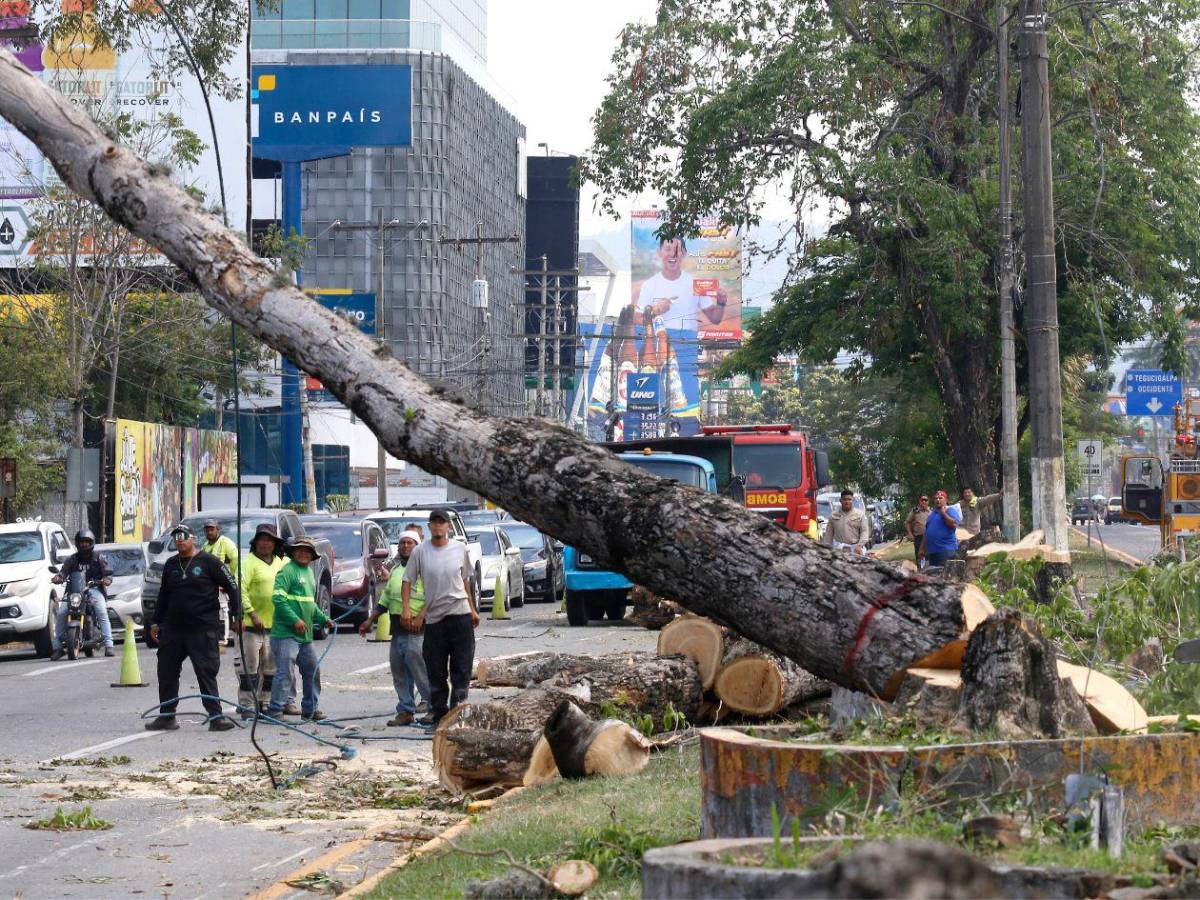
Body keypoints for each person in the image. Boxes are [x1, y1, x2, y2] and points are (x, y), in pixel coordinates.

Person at [145, 524, 240, 731]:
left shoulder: (209, 562)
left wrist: (237, 616)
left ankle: (216, 716)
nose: (179, 540)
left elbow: (232, 587)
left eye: (183, 536)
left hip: (202, 627)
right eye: (176, 537)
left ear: (193, 539)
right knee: (166, 670)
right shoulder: (171, 564)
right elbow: (163, 595)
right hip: (173, 628)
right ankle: (167, 715)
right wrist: (156, 622)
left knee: (206, 671)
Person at [402, 509, 479, 732]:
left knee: (461, 669)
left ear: (449, 527)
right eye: (434, 523)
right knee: (435, 671)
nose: (438, 527)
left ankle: (457, 717)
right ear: (429, 527)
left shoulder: (459, 549)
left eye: (441, 523)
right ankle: (439, 717)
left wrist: (473, 609)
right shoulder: (420, 552)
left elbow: (465, 580)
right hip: (435, 620)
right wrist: (406, 608)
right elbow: (407, 580)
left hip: (460, 614)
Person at [359, 530, 431, 727]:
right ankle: (406, 710)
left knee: (420, 671)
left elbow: (433, 597)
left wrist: (420, 618)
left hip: (417, 628)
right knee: (399, 672)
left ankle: (434, 708)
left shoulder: (426, 569)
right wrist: (369, 620)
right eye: (402, 543)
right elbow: (385, 599)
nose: (406, 546)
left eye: (410, 543)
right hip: (398, 628)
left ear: (417, 547)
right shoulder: (398, 570)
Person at [266, 537, 331, 722]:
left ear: (312, 555)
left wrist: (324, 619)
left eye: (307, 551)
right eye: (299, 550)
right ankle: (275, 711)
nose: (303, 553)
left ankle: (310, 709)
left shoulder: (310, 573)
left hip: (305, 636)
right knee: (285, 673)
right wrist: (295, 620)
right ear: (293, 553)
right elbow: (278, 599)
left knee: (312, 670)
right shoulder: (287, 571)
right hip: (286, 634)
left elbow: (310, 605)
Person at [235, 523, 285, 718]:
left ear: (274, 543)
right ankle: (247, 705)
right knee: (250, 667)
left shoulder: (281, 563)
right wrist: (251, 612)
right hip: (251, 626)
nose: (265, 543)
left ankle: (266, 702)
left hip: (276, 625)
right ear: (255, 543)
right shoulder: (247, 563)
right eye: (261, 540)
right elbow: (241, 590)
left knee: (271, 667)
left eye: (269, 540)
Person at [633, 237, 728, 335]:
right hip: (659, 344)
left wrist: (721, 303)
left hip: (689, 344)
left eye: (677, 250)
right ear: (659, 252)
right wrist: (656, 311)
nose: (672, 254)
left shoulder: (695, 283)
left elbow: (715, 318)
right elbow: (637, 319)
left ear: (684, 253)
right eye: (668, 249)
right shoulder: (649, 285)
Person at [50, 528, 115, 659]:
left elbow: (107, 572)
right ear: (77, 543)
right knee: (62, 613)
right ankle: (57, 647)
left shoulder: (99, 558)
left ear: (91, 543)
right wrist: (58, 577)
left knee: (101, 610)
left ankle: (109, 644)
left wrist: (106, 579)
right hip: (74, 592)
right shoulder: (72, 559)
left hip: (94, 590)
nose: (84, 544)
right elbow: (63, 572)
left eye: (87, 541)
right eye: (81, 542)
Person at [820, 490, 872, 555]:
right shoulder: (833, 516)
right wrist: (826, 550)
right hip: (839, 549)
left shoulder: (860, 515)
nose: (847, 502)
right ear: (840, 501)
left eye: (849, 499)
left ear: (853, 500)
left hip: (856, 549)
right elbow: (828, 535)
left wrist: (859, 545)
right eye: (844, 499)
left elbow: (864, 532)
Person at [921, 490, 962, 568]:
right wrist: (921, 549)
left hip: (946, 550)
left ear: (946, 500)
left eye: (940, 498)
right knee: (935, 576)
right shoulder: (932, 514)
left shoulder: (950, 510)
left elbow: (954, 525)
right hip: (932, 551)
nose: (938, 500)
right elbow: (926, 533)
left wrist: (943, 513)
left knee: (944, 575)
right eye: (936, 498)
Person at [905, 496, 931, 564]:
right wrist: (910, 534)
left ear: (928, 501)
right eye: (922, 500)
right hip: (918, 538)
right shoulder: (915, 511)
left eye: (926, 500)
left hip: (929, 538)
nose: (924, 501)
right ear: (919, 501)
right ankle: (920, 570)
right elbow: (907, 522)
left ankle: (929, 570)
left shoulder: (931, 512)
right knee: (920, 555)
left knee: (929, 555)